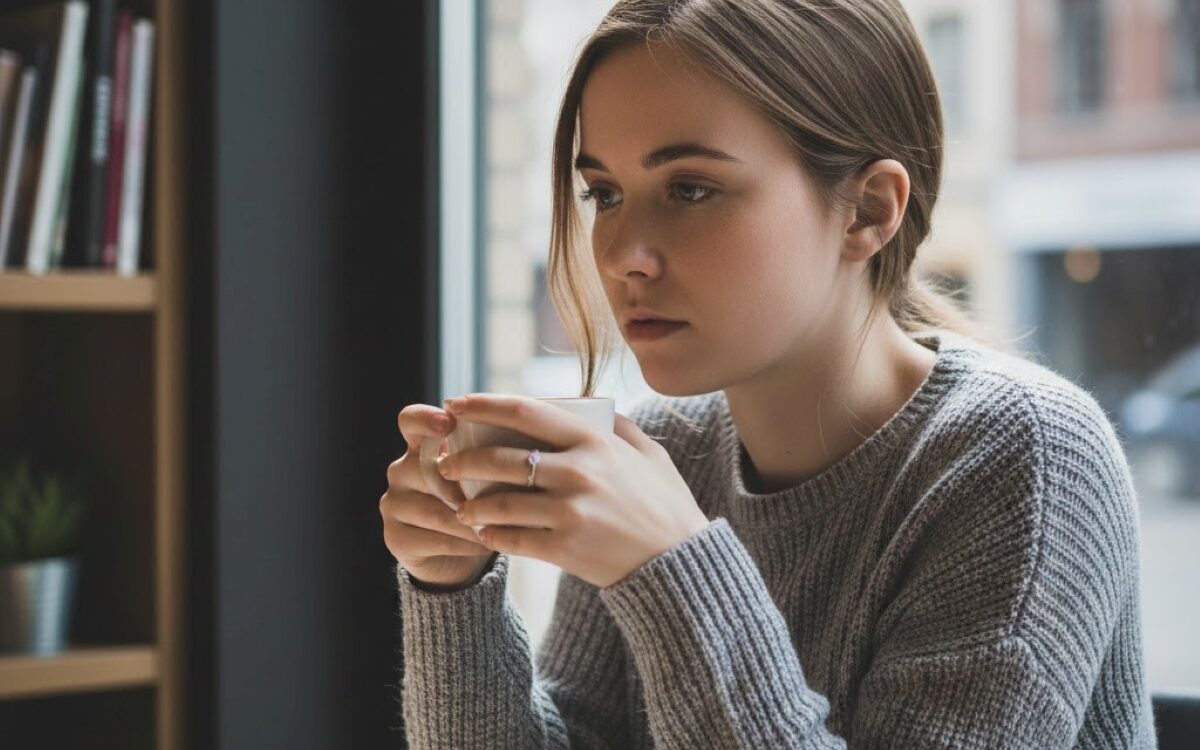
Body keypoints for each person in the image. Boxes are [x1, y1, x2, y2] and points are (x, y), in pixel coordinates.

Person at [379, 0, 1158, 746]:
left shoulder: (1027, 455)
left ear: (868, 211)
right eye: (605, 193)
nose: (618, 254)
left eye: (689, 189)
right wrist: (453, 590)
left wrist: (673, 569)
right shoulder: (662, 451)